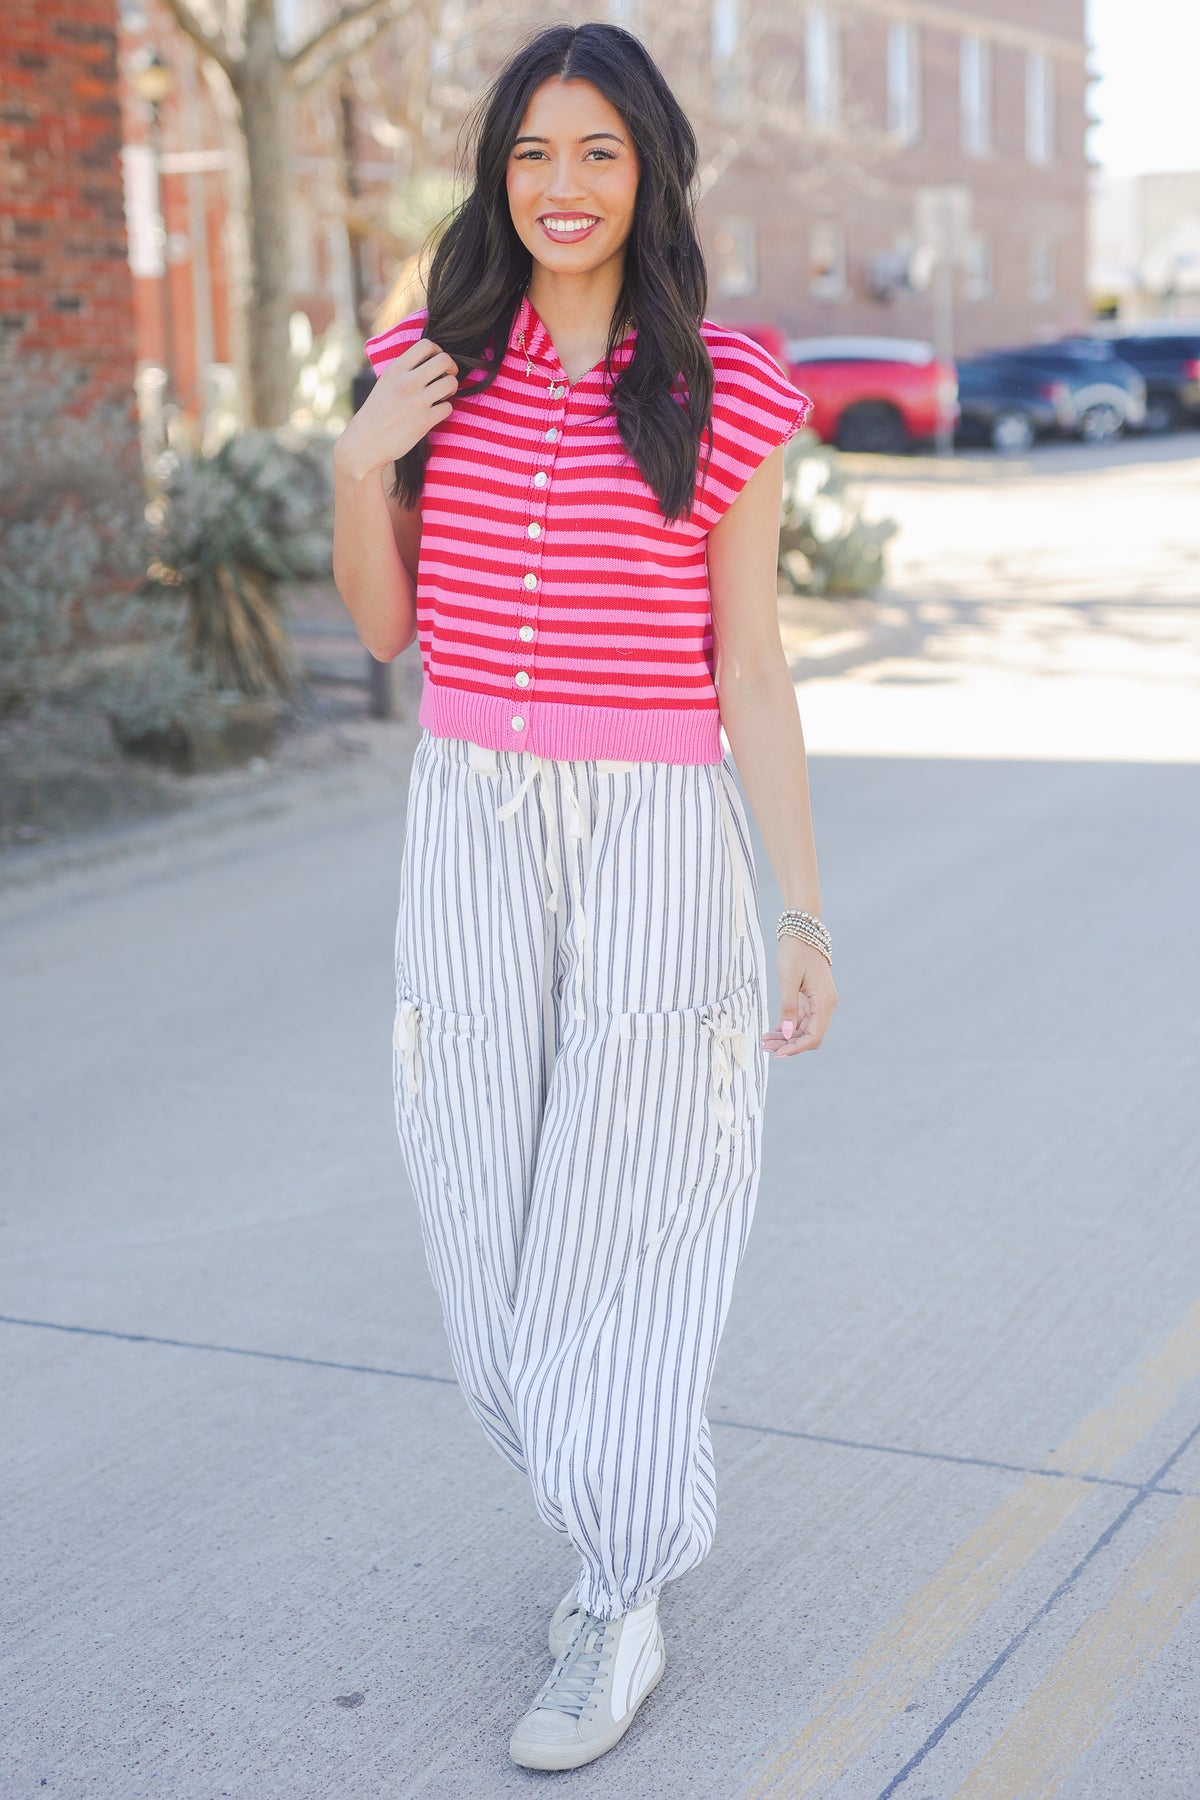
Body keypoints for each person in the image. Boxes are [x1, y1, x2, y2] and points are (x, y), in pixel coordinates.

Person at [331, 19, 838, 1773]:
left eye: (599, 153)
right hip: (468, 809)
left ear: (651, 173)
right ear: (500, 171)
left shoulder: (731, 384)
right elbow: (388, 629)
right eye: (535, 153)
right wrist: (355, 456)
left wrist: (802, 909)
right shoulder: (426, 363)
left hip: (656, 825)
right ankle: (594, 1488)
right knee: (471, 1171)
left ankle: (618, 1588)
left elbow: (753, 667)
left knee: (632, 1191)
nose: (563, 186)